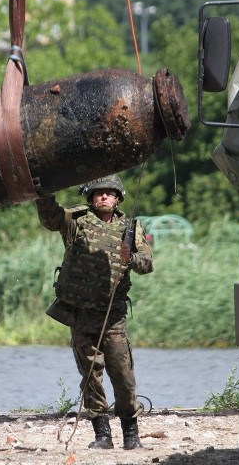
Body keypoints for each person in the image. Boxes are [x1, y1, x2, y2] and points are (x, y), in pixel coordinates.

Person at [35, 174, 153, 450]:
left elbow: (147, 264)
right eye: (99, 193)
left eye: (110, 193)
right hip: (80, 315)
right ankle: (102, 435)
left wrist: (131, 258)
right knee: (90, 376)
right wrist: (43, 192)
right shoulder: (76, 221)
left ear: (118, 198)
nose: (104, 197)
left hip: (113, 318)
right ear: (90, 196)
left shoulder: (129, 228)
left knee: (123, 377)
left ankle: (131, 434)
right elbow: (51, 219)